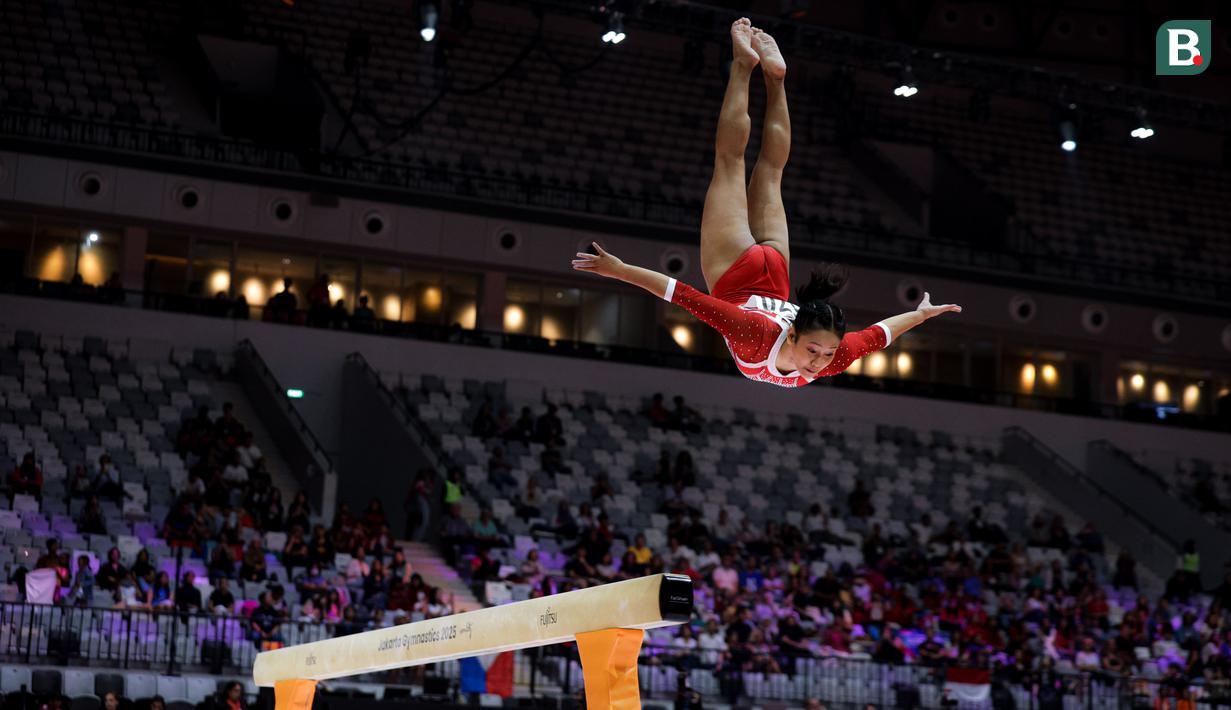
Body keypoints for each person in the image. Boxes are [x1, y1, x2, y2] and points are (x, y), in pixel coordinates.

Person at [572, 21, 959, 388]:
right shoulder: (754, 337)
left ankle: (776, 79)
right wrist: (619, 271)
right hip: (737, 272)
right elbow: (682, 294)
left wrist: (920, 315)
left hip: (775, 274)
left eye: (824, 354)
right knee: (731, 163)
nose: (821, 361)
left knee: (772, 171)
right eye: (816, 350)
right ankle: (745, 65)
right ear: (792, 333)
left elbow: (880, 336)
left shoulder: (829, 355)